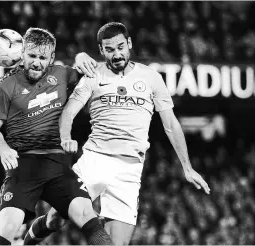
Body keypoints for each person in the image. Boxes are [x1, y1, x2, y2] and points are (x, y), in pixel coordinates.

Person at [25, 22, 211, 245]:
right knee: (56, 219)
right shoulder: (93, 76)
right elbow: (68, 113)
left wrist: (187, 167)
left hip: (130, 169)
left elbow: (170, 124)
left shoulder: (151, 78)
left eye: (120, 47)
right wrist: (66, 137)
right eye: (110, 50)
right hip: (95, 160)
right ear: (102, 51)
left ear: (129, 44)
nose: (117, 54)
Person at [0, 27, 113, 245]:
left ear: (51, 58)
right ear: (21, 54)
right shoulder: (5, 86)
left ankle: (32, 237)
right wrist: (3, 149)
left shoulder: (61, 74)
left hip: (57, 166)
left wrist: (81, 56)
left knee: (89, 219)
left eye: (43, 57)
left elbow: (93, 70)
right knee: (5, 231)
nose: (36, 62)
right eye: (32, 56)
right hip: (23, 167)